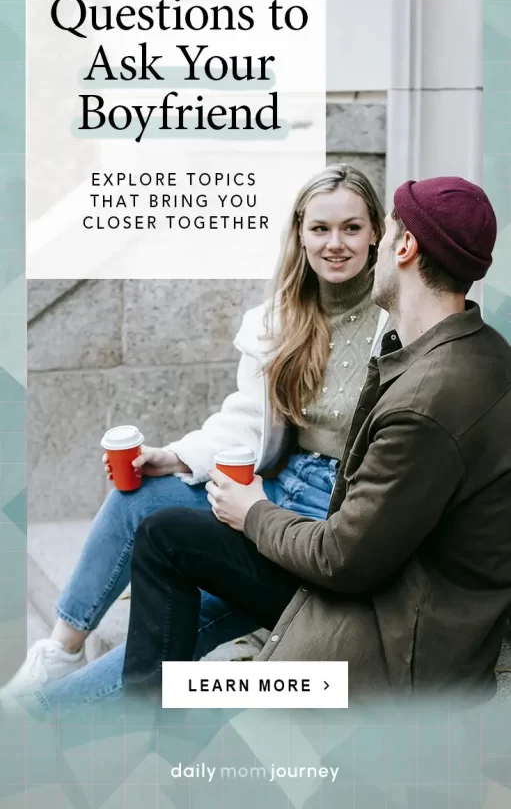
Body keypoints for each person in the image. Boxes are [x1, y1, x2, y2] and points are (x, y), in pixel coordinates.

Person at [3, 163, 387, 705]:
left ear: (376, 232)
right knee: (137, 492)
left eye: (351, 227)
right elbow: (250, 420)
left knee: (199, 606)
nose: (335, 244)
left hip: (332, 512)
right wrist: (178, 457)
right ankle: (59, 651)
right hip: (278, 481)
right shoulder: (282, 317)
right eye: (320, 229)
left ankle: (37, 717)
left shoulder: (394, 321)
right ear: (299, 232)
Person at [117, 176, 511, 701]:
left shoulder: (427, 401)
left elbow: (341, 560)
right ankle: (146, 721)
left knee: (194, 693)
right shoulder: (477, 350)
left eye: (381, 227)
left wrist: (253, 511)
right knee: (164, 533)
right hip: (397, 590)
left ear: (405, 245)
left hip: (391, 638)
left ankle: (149, 729)